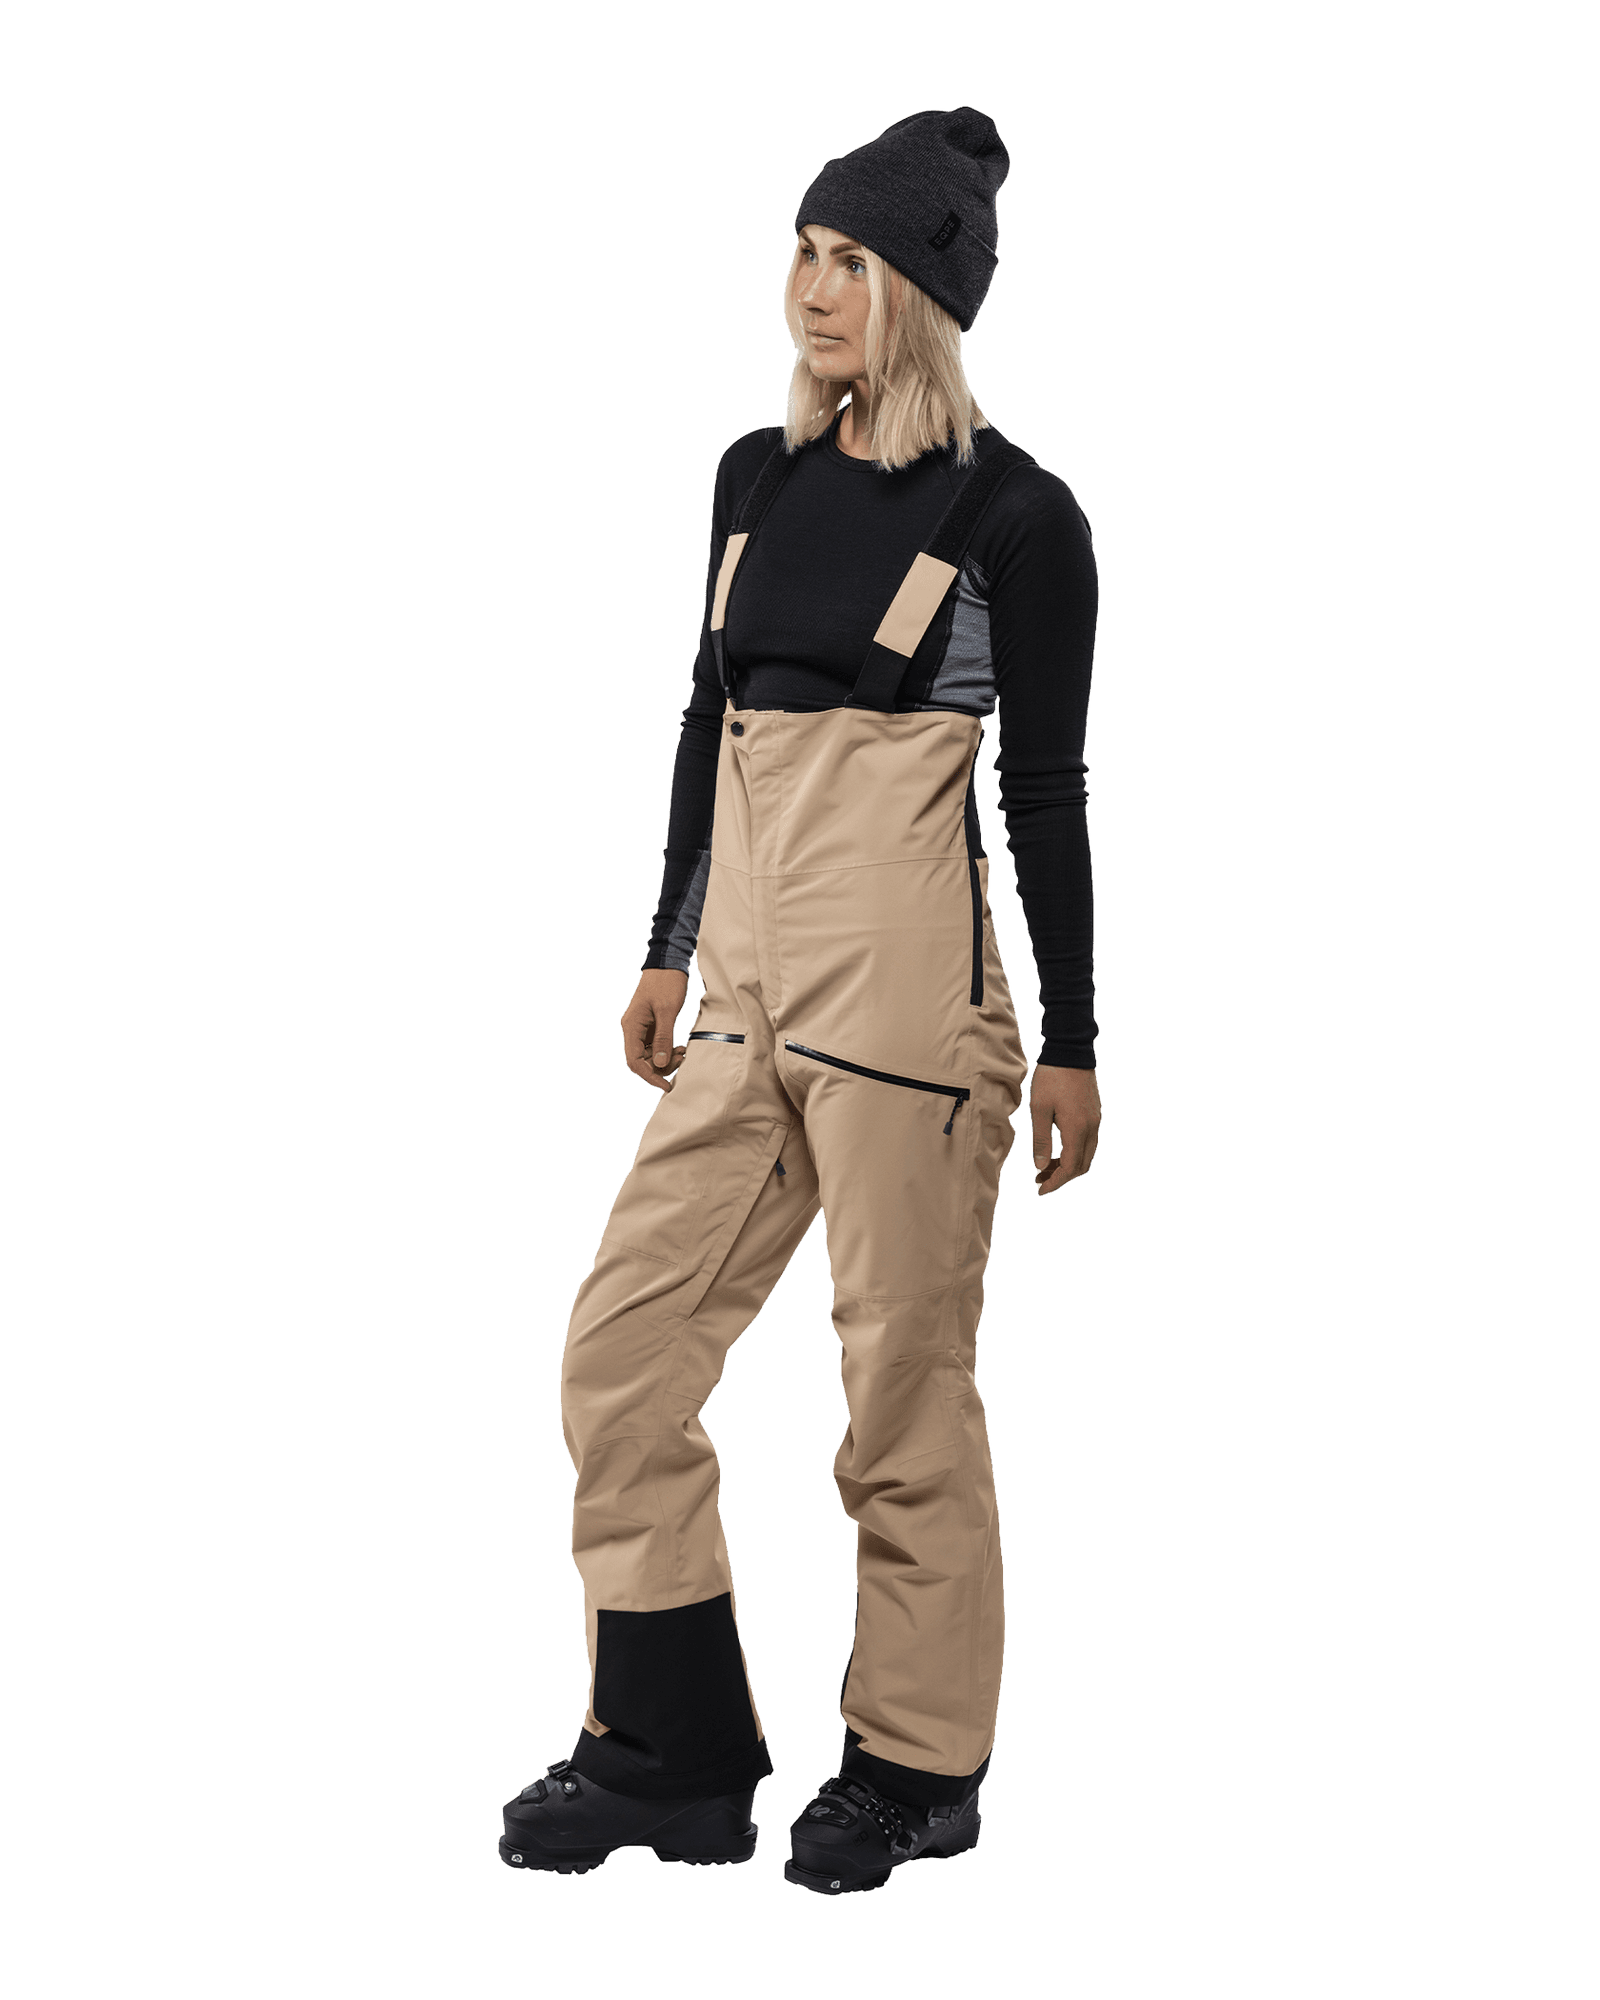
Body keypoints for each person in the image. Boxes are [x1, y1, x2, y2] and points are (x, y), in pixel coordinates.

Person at [498, 106, 1102, 1896]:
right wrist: (665, 942)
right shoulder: (752, 479)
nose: (814, 289)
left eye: (853, 262)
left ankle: (918, 1770)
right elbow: (708, 716)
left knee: (900, 1401)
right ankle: (670, 1754)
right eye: (806, 254)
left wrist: (1076, 1040)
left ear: (929, 292)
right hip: (746, 1000)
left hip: (916, 1018)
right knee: (619, 1355)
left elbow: (1046, 792)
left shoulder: (1020, 517)